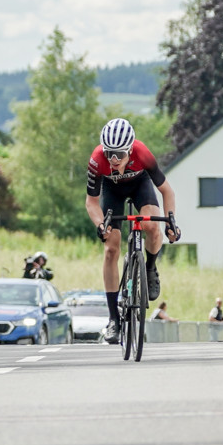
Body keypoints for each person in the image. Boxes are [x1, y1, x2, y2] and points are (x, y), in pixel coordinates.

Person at [86, 118, 180, 344]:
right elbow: (91, 202)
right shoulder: (97, 160)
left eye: (119, 154)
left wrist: (171, 222)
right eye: (109, 153)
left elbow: (167, 192)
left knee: (151, 226)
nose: (114, 159)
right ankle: (113, 320)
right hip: (112, 191)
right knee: (111, 248)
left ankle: (149, 268)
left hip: (140, 185)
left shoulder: (142, 154)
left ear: (130, 149)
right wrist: (101, 225)